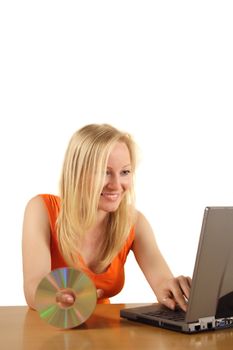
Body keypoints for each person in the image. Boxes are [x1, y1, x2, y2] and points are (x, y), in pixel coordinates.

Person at [22, 123, 191, 311]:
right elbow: (32, 288)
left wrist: (174, 289)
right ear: (77, 172)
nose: (117, 185)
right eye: (104, 172)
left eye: (125, 172)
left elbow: (162, 283)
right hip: (49, 327)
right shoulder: (42, 209)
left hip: (102, 331)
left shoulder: (134, 222)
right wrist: (58, 297)